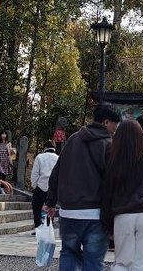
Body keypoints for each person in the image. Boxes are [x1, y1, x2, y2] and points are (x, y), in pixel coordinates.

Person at [46, 103, 121, 271]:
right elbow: (113, 181)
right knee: (93, 260)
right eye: (114, 125)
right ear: (106, 122)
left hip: (68, 212)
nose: (115, 130)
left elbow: (56, 173)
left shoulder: (73, 139)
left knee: (68, 253)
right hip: (95, 214)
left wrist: (50, 202)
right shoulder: (108, 144)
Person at [101, 119, 143, 271]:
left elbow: (107, 193)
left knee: (122, 263)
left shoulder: (114, 159)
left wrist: (107, 225)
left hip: (122, 216)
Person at [31, 140, 59, 229]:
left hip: (41, 186)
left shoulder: (40, 157)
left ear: (45, 148)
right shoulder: (58, 158)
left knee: (36, 207)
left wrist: (34, 185)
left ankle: (38, 227)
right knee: (51, 208)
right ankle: (49, 227)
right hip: (53, 188)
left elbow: (35, 173)